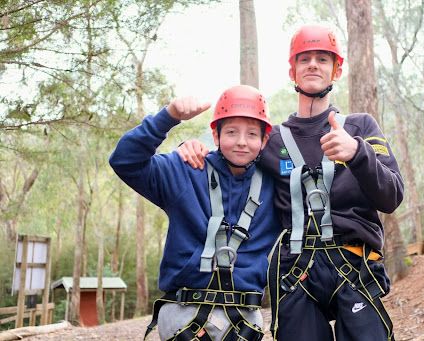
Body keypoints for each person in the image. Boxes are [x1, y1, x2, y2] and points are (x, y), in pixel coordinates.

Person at [177, 24, 404, 341]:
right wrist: (191, 147)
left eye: (323, 59)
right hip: (297, 274)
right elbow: (229, 159)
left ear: (336, 70)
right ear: (292, 70)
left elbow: (392, 197)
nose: (313, 64)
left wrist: (357, 152)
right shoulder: (272, 139)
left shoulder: (360, 126)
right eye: (305, 58)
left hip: (355, 266)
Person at [109, 85, 280, 341]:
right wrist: (169, 116)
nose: (242, 141)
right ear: (215, 134)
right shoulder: (186, 170)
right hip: (185, 313)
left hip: (243, 318)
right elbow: (125, 161)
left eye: (252, 134)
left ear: (264, 140)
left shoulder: (277, 186)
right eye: (232, 132)